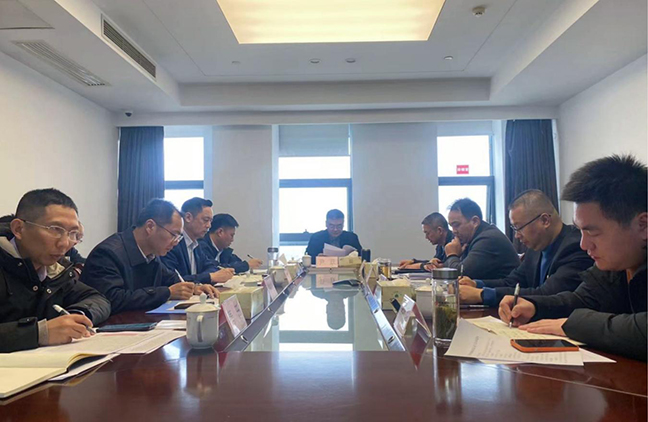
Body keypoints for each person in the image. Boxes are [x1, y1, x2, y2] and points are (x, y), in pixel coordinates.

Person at [499, 155, 647, 361]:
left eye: (593, 232)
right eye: (580, 230)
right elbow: (582, 299)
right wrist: (535, 306)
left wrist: (573, 325)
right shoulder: (615, 264)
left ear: (643, 225)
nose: (584, 245)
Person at [0, 189, 110, 353]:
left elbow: (98, 299)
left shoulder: (55, 270)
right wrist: (39, 333)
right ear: (19, 229)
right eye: (55, 229)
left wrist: (77, 315)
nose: (65, 244)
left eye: (73, 233)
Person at [81, 199, 218, 315]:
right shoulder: (107, 254)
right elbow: (112, 299)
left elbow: (171, 279)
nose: (176, 242)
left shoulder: (151, 254)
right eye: (174, 235)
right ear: (150, 226)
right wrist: (167, 293)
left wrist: (194, 288)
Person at [459, 190, 593, 306]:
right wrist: (476, 284)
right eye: (514, 228)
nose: (517, 235)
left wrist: (482, 294)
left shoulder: (576, 247)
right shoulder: (536, 247)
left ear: (545, 220)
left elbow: (547, 294)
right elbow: (512, 282)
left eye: (519, 228)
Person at [438, 198, 519, 279]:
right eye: (451, 226)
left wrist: (452, 255)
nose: (453, 231)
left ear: (475, 221)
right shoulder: (472, 238)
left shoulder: (488, 239)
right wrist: (441, 265)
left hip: (509, 287)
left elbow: (460, 275)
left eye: (456, 225)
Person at [161, 198, 234, 283]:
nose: (209, 226)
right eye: (206, 220)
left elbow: (212, 266)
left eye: (210, 221)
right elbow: (173, 281)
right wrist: (209, 277)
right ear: (188, 217)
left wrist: (206, 277)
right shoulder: (172, 243)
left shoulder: (196, 245)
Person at [199, 213, 263, 273]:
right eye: (231, 235)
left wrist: (245, 265)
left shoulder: (222, 249)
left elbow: (234, 262)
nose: (232, 240)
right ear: (220, 232)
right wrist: (246, 265)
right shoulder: (201, 247)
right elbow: (216, 268)